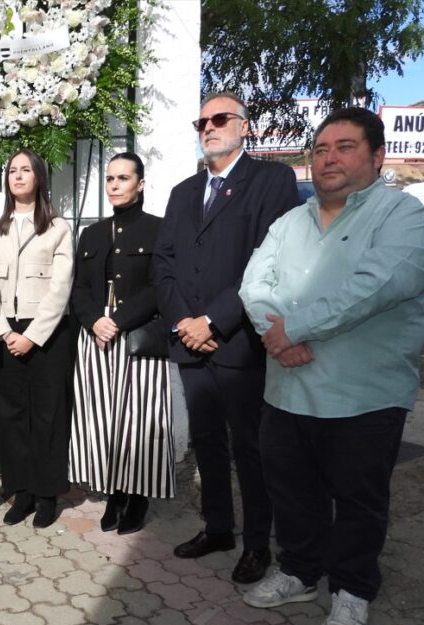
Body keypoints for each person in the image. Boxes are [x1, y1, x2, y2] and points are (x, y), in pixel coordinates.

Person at [239, 107, 424, 625]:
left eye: (345, 146)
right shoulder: (290, 221)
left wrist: (296, 326)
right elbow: (255, 283)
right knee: (292, 491)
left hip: (364, 396)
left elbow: (380, 285)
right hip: (287, 388)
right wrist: (275, 331)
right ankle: (301, 572)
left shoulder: (404, 217)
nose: (329, 157)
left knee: (358, 497)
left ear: (377, 157)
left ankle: (352, 589)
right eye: (322, 148)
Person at [153, 92, 299, 584]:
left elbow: (266, 262)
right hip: (189, 343)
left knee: (250, 447)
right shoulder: (182, 192)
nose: (209, 127)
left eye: (220, 119)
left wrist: (212, 321)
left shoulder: (271, 181)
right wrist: (183, 324)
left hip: (236, 342)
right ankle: (218, 527)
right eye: (202, 121)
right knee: (207, 440)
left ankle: (258, 543)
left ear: (244, 126)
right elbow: (165, 264)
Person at [69, 152, 173, 535]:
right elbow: (78, 286)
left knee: (139, 419)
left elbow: (159, 286)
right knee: (102, 419)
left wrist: (118, 321)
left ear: (140, 183)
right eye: (110, 179)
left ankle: (139, 495)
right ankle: (114, 490)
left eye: (123, 178)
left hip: (138, 336)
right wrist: (95, 321)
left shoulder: (160, 229)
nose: (114, 185)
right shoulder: (92, 234)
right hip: (96, 336)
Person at [0, 149, 73, 529]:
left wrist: (32, 336)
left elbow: (60, 289)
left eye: (25, 170)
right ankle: (21, 491)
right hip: (8, 333)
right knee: (12, 416)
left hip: (47, 336)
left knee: (47, 414)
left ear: (38, 176)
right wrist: (7, 333)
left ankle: (46, 493)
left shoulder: (57, 227)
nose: (18, 176)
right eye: (12, 171)